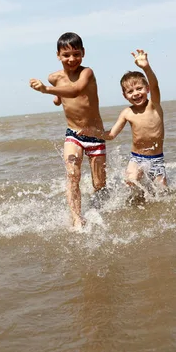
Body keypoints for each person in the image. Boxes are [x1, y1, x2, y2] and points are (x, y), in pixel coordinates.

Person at [29, 32, 106, 228]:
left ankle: (100, 211)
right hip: (73, 134)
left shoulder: (87, 72)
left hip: (95, 135)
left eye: (76, 54)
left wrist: (46, 90)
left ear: (83, 53)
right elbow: (60, 98)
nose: (72, 59)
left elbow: (76, 90)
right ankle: (76, 218)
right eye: (66, 55)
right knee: (73, 175)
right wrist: (55, 97)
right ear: (58, 55)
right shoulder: (54, 77)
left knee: (99, 184)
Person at [81, 49, 167, 195]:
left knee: (162, 192)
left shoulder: (154, 105)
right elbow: (111, 135)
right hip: (137, 158)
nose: (136, 93)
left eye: (139, 88)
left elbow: (155, 85)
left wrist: (146, 67)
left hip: (156, 159)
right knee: (131, 182)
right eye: (130, 91)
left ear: (146, 89)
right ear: (125, 95)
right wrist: (93, 133)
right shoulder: (127, 113)